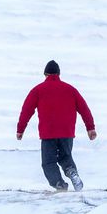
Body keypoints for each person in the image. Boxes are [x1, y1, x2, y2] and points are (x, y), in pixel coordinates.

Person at [16, 60, 97, 191]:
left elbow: (26, 110)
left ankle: (59, 185)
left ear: (45, 74)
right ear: (59, 74)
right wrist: (90, 128)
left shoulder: (37, 90)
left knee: (49, 162)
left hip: (48, 133)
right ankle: (72, 172)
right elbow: (84, 109)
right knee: (65, 157)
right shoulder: (71, 90)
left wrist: (20, 130)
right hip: (67, 132)